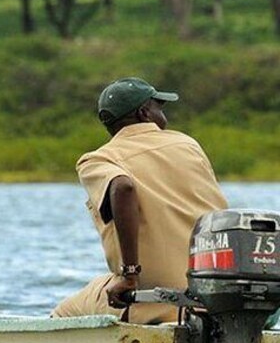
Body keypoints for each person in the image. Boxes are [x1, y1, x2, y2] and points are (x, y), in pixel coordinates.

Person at [52, 77, 228, 324]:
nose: (163, 116)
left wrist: (129, 276)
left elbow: (122, 187)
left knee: (63, 314)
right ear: (144, 113)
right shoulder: (188, 144)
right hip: (217, 295)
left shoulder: (99, 160)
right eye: (159, 108)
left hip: (156, 299)